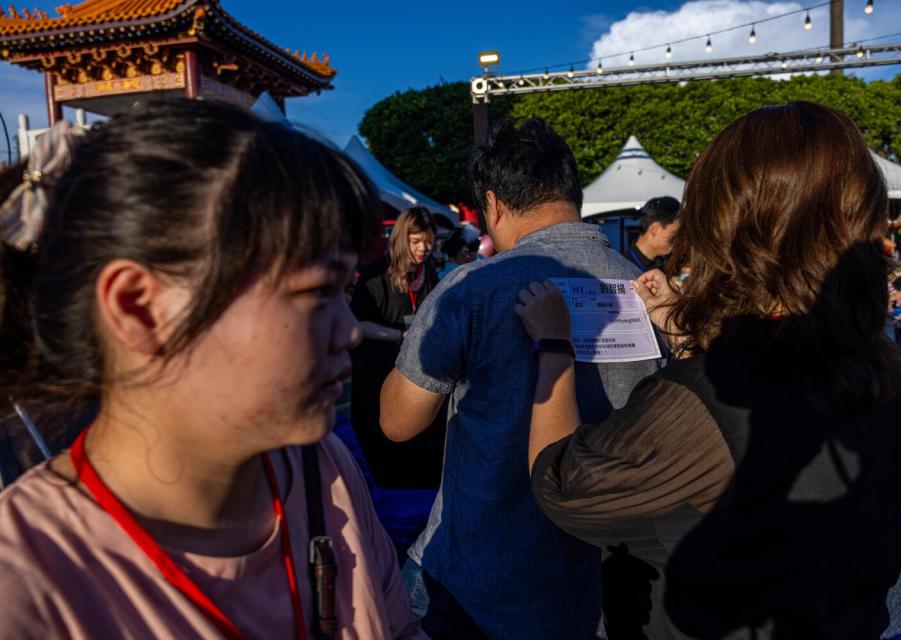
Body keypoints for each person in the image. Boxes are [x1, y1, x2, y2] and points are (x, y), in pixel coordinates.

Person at [0, 99, 424, 639]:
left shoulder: (324, 470)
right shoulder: (26, 584)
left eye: (344, 291)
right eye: (317, 291)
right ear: (140, 308)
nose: (350, 331)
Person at [514, 102, 901, 639]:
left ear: (725, 222)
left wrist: (553, 346)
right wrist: (693, 344)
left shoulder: (699, 403)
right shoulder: (898, 379)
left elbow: (560, 483)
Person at [379, 117, 661, 639]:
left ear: (494, 204)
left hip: (478, 580)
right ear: (570, 190)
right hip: (600, 586)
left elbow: (397, 422)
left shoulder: (475, 287)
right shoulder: (647, 289)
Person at [349, 207, 444, 490]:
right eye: (416, 241)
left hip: (412, 372)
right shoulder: (373, 274)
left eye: (428, 241)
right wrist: (400, 335)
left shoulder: (428, 273)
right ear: (403, 239)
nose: (423, 249)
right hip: (375, 372)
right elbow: (357, 326)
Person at [626, 195, 680, 273]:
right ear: (655, 228)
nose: (677, 240)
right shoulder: (623, 267)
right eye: (674, 233)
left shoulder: (665, 266)